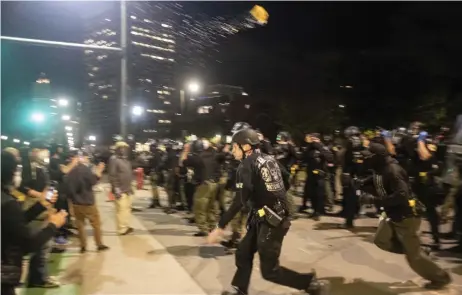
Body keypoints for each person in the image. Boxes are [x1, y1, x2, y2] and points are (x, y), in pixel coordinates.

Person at [207, 127, 330, 295]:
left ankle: (310, 284)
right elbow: (286, 178)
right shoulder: (269, 159)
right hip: (265, 216)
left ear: (246, 147)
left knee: (269, 271)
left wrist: (219, 227)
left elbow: (238, 202)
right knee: (243, 253)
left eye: (235, 147)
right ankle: (240, 290)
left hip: (272, 223)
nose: (233, 151)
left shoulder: (246, 167)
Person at [361, 143, 451, 290]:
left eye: (368, 157)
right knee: (381, 240)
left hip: (406, 216)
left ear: (377, 157)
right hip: (392, 213)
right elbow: (378, 181)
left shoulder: (393, 170)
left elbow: (401, 195)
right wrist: (361, 184)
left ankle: (440, 278)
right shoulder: (380, 169)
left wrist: (374, 200)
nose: (365, 159)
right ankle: (417, 250)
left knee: (414, 258)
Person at [1, 151, 68, 295]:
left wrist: (40, 205)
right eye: (16, 170)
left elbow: (13, 224)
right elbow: (26, 244)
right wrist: (53, 225)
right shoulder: (7, 203)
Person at [66, 151, 109, 253]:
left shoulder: (71, 171)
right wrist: (99, 171)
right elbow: (93, 181)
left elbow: (68, 187)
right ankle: (99, 244)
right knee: (96, 224)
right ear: (84, 158)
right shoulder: (86, 170)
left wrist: (71, 201)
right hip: (88, 202)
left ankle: (83, 246)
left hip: (76, 203)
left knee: (80, 225)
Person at [108, 141, 134, 235]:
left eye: (124, 147)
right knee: (121, 210)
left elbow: (128, 174)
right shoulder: (114, 159)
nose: (123, 149)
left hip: (127, 189)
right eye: (120, 147)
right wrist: (116, 189)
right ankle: (121, 229)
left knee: (127, 209)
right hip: (120, 190)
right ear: (117, 149)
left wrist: (131, 188)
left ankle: (125, 226)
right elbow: (112, 175)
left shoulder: (126, 160)